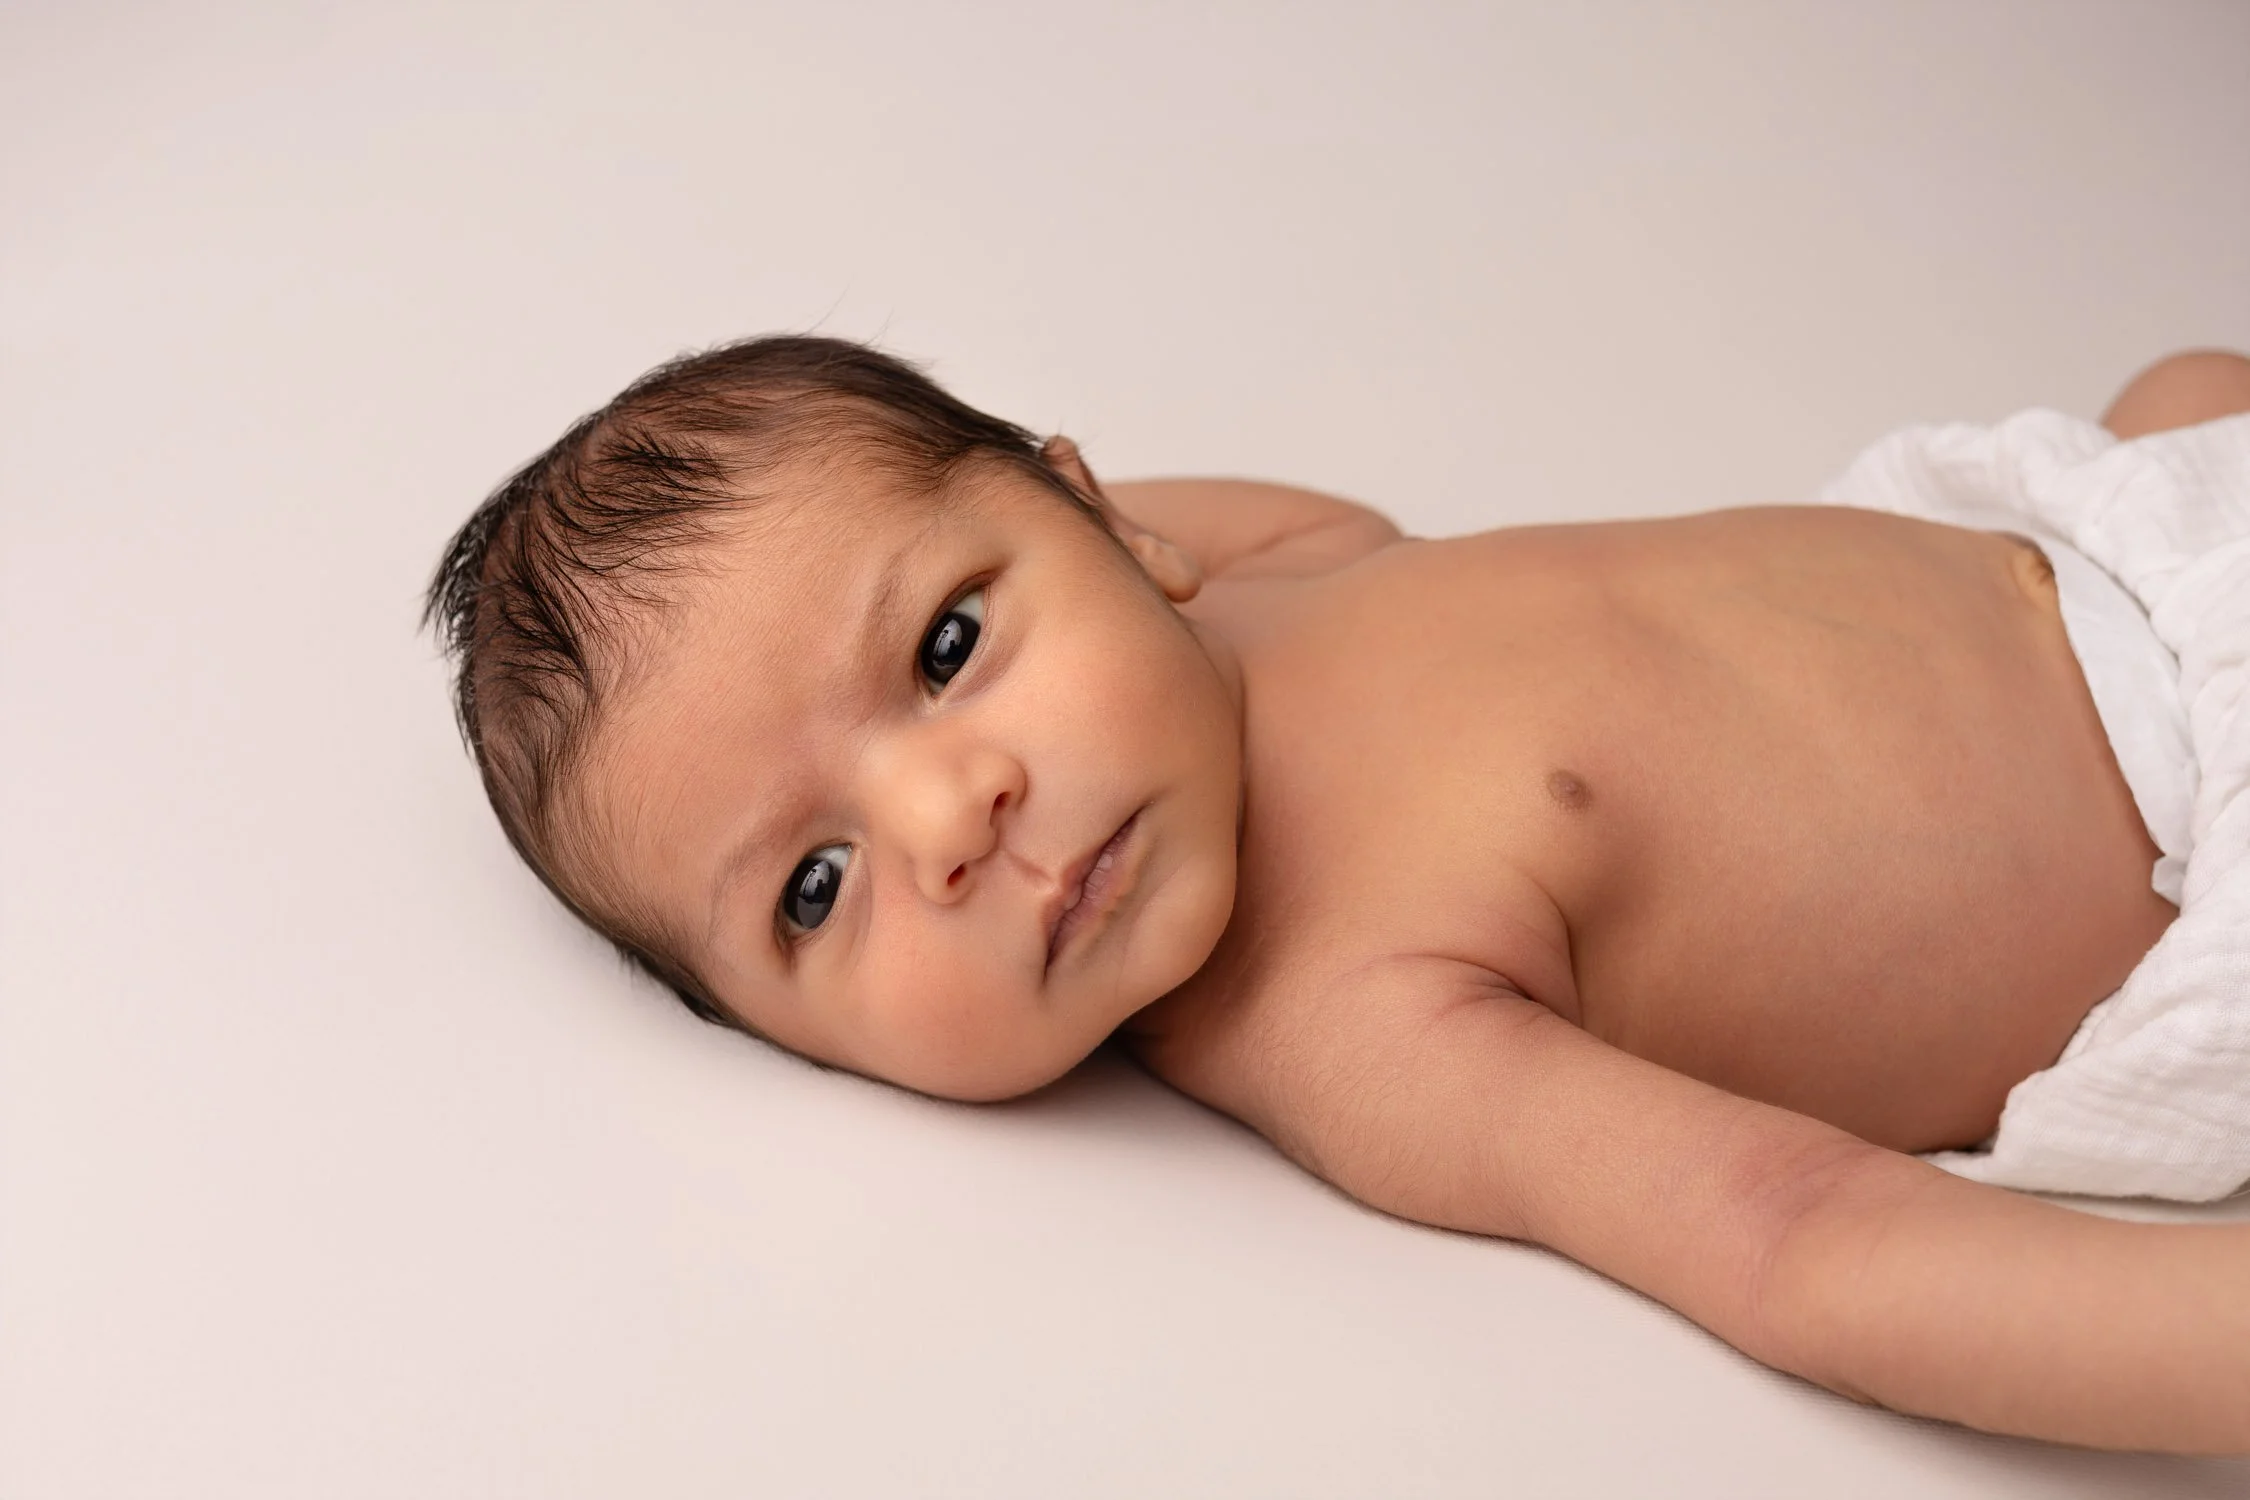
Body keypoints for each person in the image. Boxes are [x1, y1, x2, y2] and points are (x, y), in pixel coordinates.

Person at [426, 338, 2250, 1451]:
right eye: (814, 892)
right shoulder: (1343, 1008)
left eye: (945, 644)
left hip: (2093, 530)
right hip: (2195, 838)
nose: (947, 821)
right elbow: (1794, 1240)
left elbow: (1141, 519)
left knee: (2189, 384)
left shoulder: (1262, 583)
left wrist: (1033, 528)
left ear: (1112, 523)